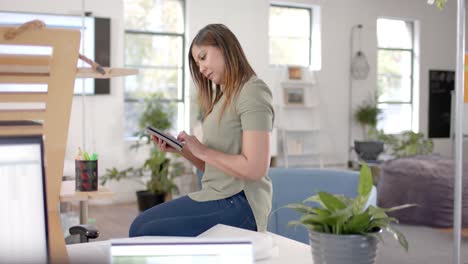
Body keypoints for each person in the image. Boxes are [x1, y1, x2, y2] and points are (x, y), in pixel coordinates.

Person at [129, 24, 274, 237]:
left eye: (203, 57)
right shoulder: (222, 98)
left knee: (146, 230)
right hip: (217, 194)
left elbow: (255, 169)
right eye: (197, 63)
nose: (201, 69)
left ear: (225, 47)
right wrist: (183, 150)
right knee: (139, 226)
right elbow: (214, 169)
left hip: (242, 203)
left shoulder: (252, 91)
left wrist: (202, 150)